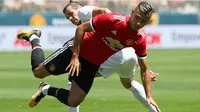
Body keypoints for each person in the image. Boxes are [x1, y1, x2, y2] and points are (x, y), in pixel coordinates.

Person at [16, 1, 160, 112]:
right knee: (38, 72)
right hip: (75, 51)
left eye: (144, 21)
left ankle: (46, 89)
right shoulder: (113, 20)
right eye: (138, 18)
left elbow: (144, 68)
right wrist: (75, 57)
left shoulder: (139, 38)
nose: (139, 23)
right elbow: (81, 28)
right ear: (132, 13)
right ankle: (34, 37)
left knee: (74, 101)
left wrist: (149, 96)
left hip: (92, 64)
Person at [63, 2, 159, 112]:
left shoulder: (83, 11)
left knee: (75, 73)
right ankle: (155, 110)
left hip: (114, 56)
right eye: (67, 17)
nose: (71, 18)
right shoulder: (86, 25)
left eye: (71, 13)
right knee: (129, 83)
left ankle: (48, 91)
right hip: (127, 54)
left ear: (78, 8)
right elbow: (121, 40)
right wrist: (143, 70)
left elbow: (106, 12)